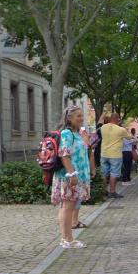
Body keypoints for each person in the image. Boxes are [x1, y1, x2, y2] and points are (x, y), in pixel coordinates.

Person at [51, 106, 93, 249]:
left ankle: (66, 238)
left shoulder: (76, 133)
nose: (81, 118)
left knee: (67, 207)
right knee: (67, 207)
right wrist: (72, 174)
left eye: (82, 115)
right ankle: (67, 239)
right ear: (69, 118)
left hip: (76, 175)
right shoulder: (67, 133)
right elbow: (64, 154)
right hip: (69, 177)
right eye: (78, 116)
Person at [99, 113, 133, 199]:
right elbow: (130, 137)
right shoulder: (121, 129)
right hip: (115, 155)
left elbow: (99, 124)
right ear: (118, 119)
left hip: (104, 153)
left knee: (104, 173)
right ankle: (112, 192)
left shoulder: (103, 127)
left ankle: (103, 191)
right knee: (114, 173)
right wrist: (124, 128)